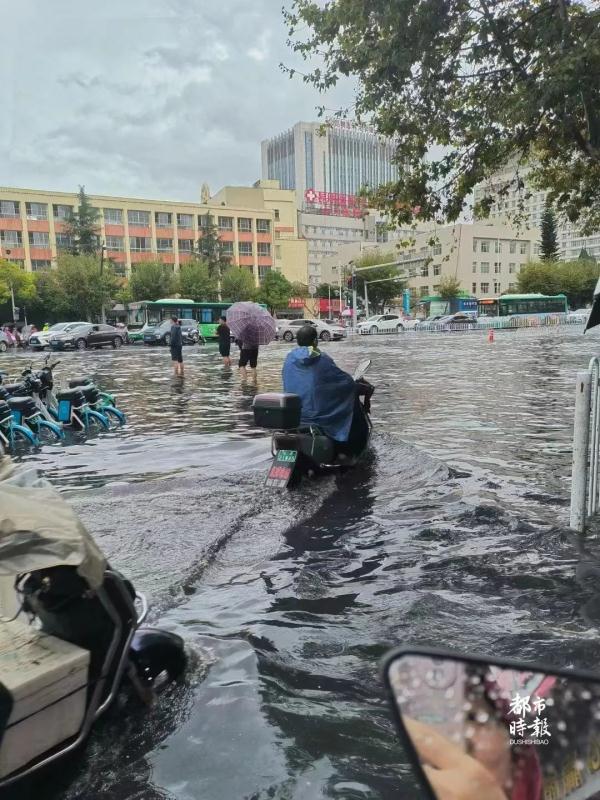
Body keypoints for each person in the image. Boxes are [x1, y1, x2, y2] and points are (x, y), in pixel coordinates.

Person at [282, 324, 372, 457]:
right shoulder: (321, 358)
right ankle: (347, 452)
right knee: (349, 408)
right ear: (315, 341)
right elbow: (344, 383)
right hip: (318, 417)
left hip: (296, 415)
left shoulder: (289, 358)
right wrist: (358, 386)